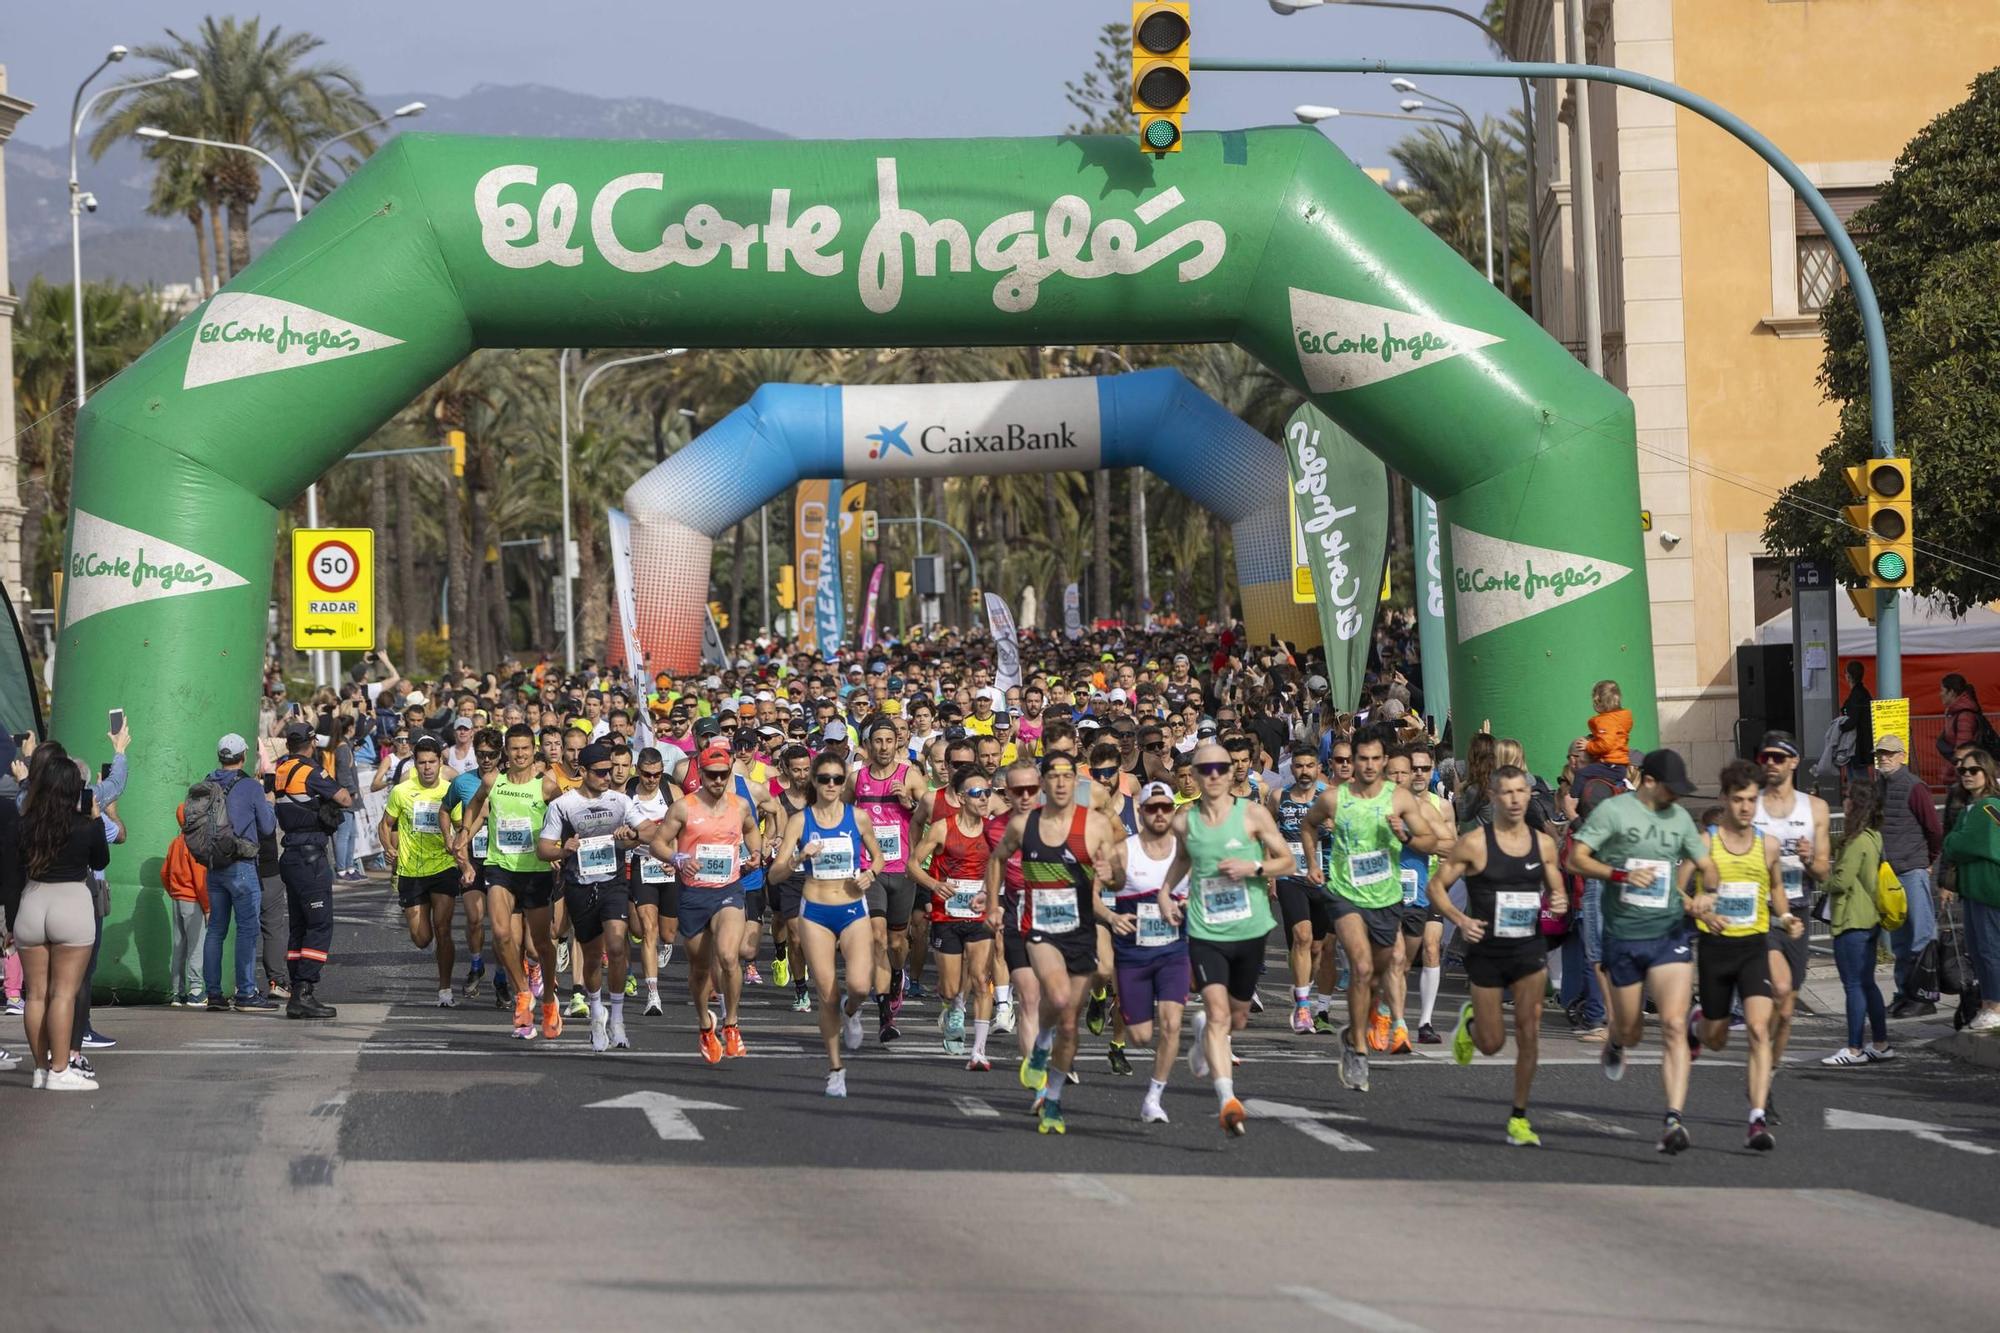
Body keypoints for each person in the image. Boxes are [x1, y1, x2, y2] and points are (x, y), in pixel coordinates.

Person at [1565, 748, 1718, 1154]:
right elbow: (1575, 859)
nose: (1677, 798)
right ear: (1649, 782)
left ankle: (1673, 1120)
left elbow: (1707, 864)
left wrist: (1710, 894)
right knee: (1633, 1030)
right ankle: (1616, 1038)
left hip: (1669, 934)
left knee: (1672, 1026)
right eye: (1673, 789)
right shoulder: (1614, 812)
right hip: (1625, 936)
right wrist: (1620, 873)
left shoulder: (1680, 818)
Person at [984, 748, 1123, 1135]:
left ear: (1075, 781)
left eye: (1067, 776)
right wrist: (993, 905)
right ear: (1045, 783)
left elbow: (1116, 879)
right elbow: (996, 860)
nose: (1060, 783)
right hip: (1038, 927)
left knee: (1070, 1026)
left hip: (1080, 929)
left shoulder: (1094, 824)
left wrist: (1113, 874)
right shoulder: (1023, 826)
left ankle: (1054, 1098)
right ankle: (1040, 1046)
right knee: (1056, 997)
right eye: (1053, 776)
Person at [1301, 726, 1443, 1093]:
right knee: (1361, 967)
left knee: (1379, 976)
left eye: (1374, 759)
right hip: (1345, 893)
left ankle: (1355, 1028)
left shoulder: (1399, 800)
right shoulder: (1334, 798)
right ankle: (1359, 1050)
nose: (1366, 765)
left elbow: (1430, 841)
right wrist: (1313, 862)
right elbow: (1308, 825)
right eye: (1361, 758)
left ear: (1384, 761)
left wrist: (1406, 836)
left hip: (1386, 897)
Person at [1432, 765, 1567, 1147]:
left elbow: (1556, 888)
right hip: (1487, 950)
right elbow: (1436, 887)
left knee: (1529, 1029)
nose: (1514, 799)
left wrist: (1558, 900)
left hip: (1528, 947)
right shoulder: (1474, 843)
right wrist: (1459, 919)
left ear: (1528, 795)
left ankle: (1520, 1116)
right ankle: (1473, 1024)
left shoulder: (1542, 844)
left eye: (1520, 791)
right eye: (1505, 792)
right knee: (1491, 1044)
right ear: (1493, 797)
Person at [1166, 742, 1292, 1135]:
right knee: (1220, 1012)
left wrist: (1254, 866)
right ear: (1196, 776)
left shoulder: (1252, 814)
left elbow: (1286, 860)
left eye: (1222, 767)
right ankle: (1227, 1099)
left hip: (1251, 929)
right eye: (1207, 769)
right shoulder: (1185, 821)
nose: (1216, 774)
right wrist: (1164, 893)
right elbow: (1182, 860)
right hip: (1205, 930)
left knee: (1236, 1018)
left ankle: (1204, 1031)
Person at [1689, 760, 1799, 1152]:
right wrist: (1696, 904)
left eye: (1752, 800)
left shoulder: (1767, 844)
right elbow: (1677, 889)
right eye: (1738, 800)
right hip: (1716, 949)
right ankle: (1698, 1023)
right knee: (1716, 1039)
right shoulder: (1705, 843)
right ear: (1724, 800)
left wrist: (1785, 917)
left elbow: (1776, 887)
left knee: (1757, 1029)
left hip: (1754, 946)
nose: (1746, 808)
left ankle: (1756, 1119)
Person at [768, 750, 883, 1097]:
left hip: (852, 908)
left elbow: (877, 855)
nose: (831, 785)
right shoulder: (800, 821)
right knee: (827, 995)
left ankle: (854, 1012)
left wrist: (871, 873)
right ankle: (836, 1069)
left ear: (844, 781)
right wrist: (799, 858)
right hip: (815, 911)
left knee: (861, 986)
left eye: (837, 779)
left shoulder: (858, 817)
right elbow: (774, 874)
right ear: (813, 782)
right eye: (824, 779)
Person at [648, 743, 764, 1063]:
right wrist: (677, 857)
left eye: (723, 775)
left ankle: (732, 1024)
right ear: (701, 773)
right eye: (711, 775)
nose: (717, 780)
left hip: (728, 889)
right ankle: (704, 1025)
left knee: (729, 956)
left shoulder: (739, 806)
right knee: (699, 970)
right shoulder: (684, 807)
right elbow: (657, 842)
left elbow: (753, 831)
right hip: (693, 894)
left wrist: (756, 854)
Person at [537, 742, 649, 1052]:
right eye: (600, 772)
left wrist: (633, 835)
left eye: (611, 771)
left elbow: (651, 831)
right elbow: (542, 849)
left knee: (616, 946)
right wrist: (563, 850)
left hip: (613, 883)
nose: (608, 777)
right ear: (583, 772)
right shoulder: (563, 804)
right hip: (579, 885)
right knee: (590, 955)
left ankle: (617, 1018)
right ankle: (596, 1013)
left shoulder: (620, 800)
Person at [460, 723, 563, 1040]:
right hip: (500, 867)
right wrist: (464, 834)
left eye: (524, 748)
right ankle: (522, 993)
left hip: (535, 872)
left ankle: (548, 1001)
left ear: (534, 750)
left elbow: (563, 815)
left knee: (540, 945)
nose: (519, 754)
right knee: (502, 936)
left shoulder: (545, 786)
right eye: (514, 748)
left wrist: (558, 848)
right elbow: (477, 804)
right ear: (507, 751)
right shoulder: (494, 781)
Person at [14, 745, 108, 1089]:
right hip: (71, 902)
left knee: (35, 994)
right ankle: (59, 1069)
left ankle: (40, 1069)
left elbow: (13, 873)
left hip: (32, 902)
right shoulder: (83, 825)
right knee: (63, 994)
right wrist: (96, 818)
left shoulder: (25, 823)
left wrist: (10, 920)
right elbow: (100, 862)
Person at [1750, 730, 1830, 1122]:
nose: (1770, 764)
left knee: (1786, 1009)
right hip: (1761, 912)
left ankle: (1769, 1076)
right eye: (1765, 757)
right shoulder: (1751, 805)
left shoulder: (1814, 808)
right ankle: (1760, 1090)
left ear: (1794, 762)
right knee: (1778, 989)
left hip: (1797, 910)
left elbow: (1824, 871)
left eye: (1779, 758)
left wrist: (1810, 856)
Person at [906, 764, 998, 1066]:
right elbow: (913, 865)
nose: (984, 798)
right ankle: (954, 1005)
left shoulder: (995, 829)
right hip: (948, 915)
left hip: (980, 914)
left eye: (987, 792)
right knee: (948, 986)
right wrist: (934, 884)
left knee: (981, 979)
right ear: (961, 797)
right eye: (977, 793)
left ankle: (979, 1050)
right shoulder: (943, 828)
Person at [1108, 781, 1189, 1123]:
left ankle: (1154, 1097)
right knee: (1141, 1036)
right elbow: (1096, 891)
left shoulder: (1186, 852)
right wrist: (1111, 916)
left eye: (1165, 808)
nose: (1159, 814)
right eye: (1152, 808)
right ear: (1140, 813)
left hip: (1174, 951)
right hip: (1133, 955)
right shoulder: (1124, 851)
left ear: (1173, 811)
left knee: (1171, 1025)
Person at [271, 722, 351, 1019]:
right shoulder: (311, 771)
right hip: (310, 857)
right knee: (319, 924)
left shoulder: (280, 769)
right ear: (311, 742)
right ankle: (304, 991)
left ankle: (296, 991)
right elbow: (345, 798)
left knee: (299, 927)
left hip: (290, 854)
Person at [379, 735, 462, 1007]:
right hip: (412, 870)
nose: (427, 767)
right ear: (415, 764)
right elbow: (386, 823)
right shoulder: (402, 791)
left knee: (443, 928)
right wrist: (388, 847)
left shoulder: (450, 791)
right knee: (422, 938)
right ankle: (417, 922)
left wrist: (460, 849)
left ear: (441, 763)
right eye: (422, 762)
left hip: (443, 866)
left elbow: (463, 826)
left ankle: (445, 990)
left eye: (432, 762)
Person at [204, 732, 278, 1011]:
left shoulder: (206, 782)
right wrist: (268, 799)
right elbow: (268, 828)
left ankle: (214, 994)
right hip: (242, 865)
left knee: (216, 931)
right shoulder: (250, 786)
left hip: (214, 865)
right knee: (247, 930)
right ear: (243, 756)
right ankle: (246, 993)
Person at [1821, 781, 1892, 1066]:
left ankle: (1854, 1048)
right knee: (1867, 983)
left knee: (1853, 985)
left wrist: (1819, 876)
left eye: (1848, 797)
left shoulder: (1856, 841)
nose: (1844, 801)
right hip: (1869, 918)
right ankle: (1881, 1043)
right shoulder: (1873, 836)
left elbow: (1840, 882)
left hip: (1851, 919)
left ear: (1858, 803)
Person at [1873, 734, 1942, 1016]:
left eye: (1890, 753)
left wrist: (1929, 861)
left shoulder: (1914, 787)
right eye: (1881, 753)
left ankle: (1923, 997)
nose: (1884, 758)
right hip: (1890, 874)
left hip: (1912, 870)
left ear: (1902, 755)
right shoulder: (1880, 785)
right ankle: (1904, 993)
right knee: (1900, 941)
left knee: (1921, 937)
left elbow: (1934, 829)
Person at [1940, 747, 2000, 1032]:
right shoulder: (1971, 808)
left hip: (1989, 890)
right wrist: (1956, 841)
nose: (1966, 775)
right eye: (1962, 770)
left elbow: (1960, 844)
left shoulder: (1988, 807)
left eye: (1973, 770)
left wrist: (1956, 841)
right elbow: (1953, 842)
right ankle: (1988, 1004)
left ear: (1987, 773)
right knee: (1978, 950)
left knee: (1989, 950)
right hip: (1975, 889)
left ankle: (1995, 1005)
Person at [1584, 678, 1631, 767]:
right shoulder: (1619, 718)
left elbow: (1606, 744)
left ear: (1598, 701)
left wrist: (1588, 745)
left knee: (1581, 774)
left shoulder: (1606, 720)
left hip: (1608, 763)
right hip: (1621, 763)